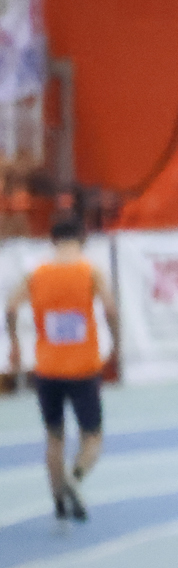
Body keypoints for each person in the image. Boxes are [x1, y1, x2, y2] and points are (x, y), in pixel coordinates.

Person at [4, 219, 121, 521]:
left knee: (54, 436)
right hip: (83, 368)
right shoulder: (90, 271)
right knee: (92, 436)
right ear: (82, 239)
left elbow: (11, 308)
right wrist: (116, 343)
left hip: (48, 368)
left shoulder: (36, 274)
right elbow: (110, 309)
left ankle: (58, 501)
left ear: (52, 240)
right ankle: (75, 476)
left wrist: (15, 344)